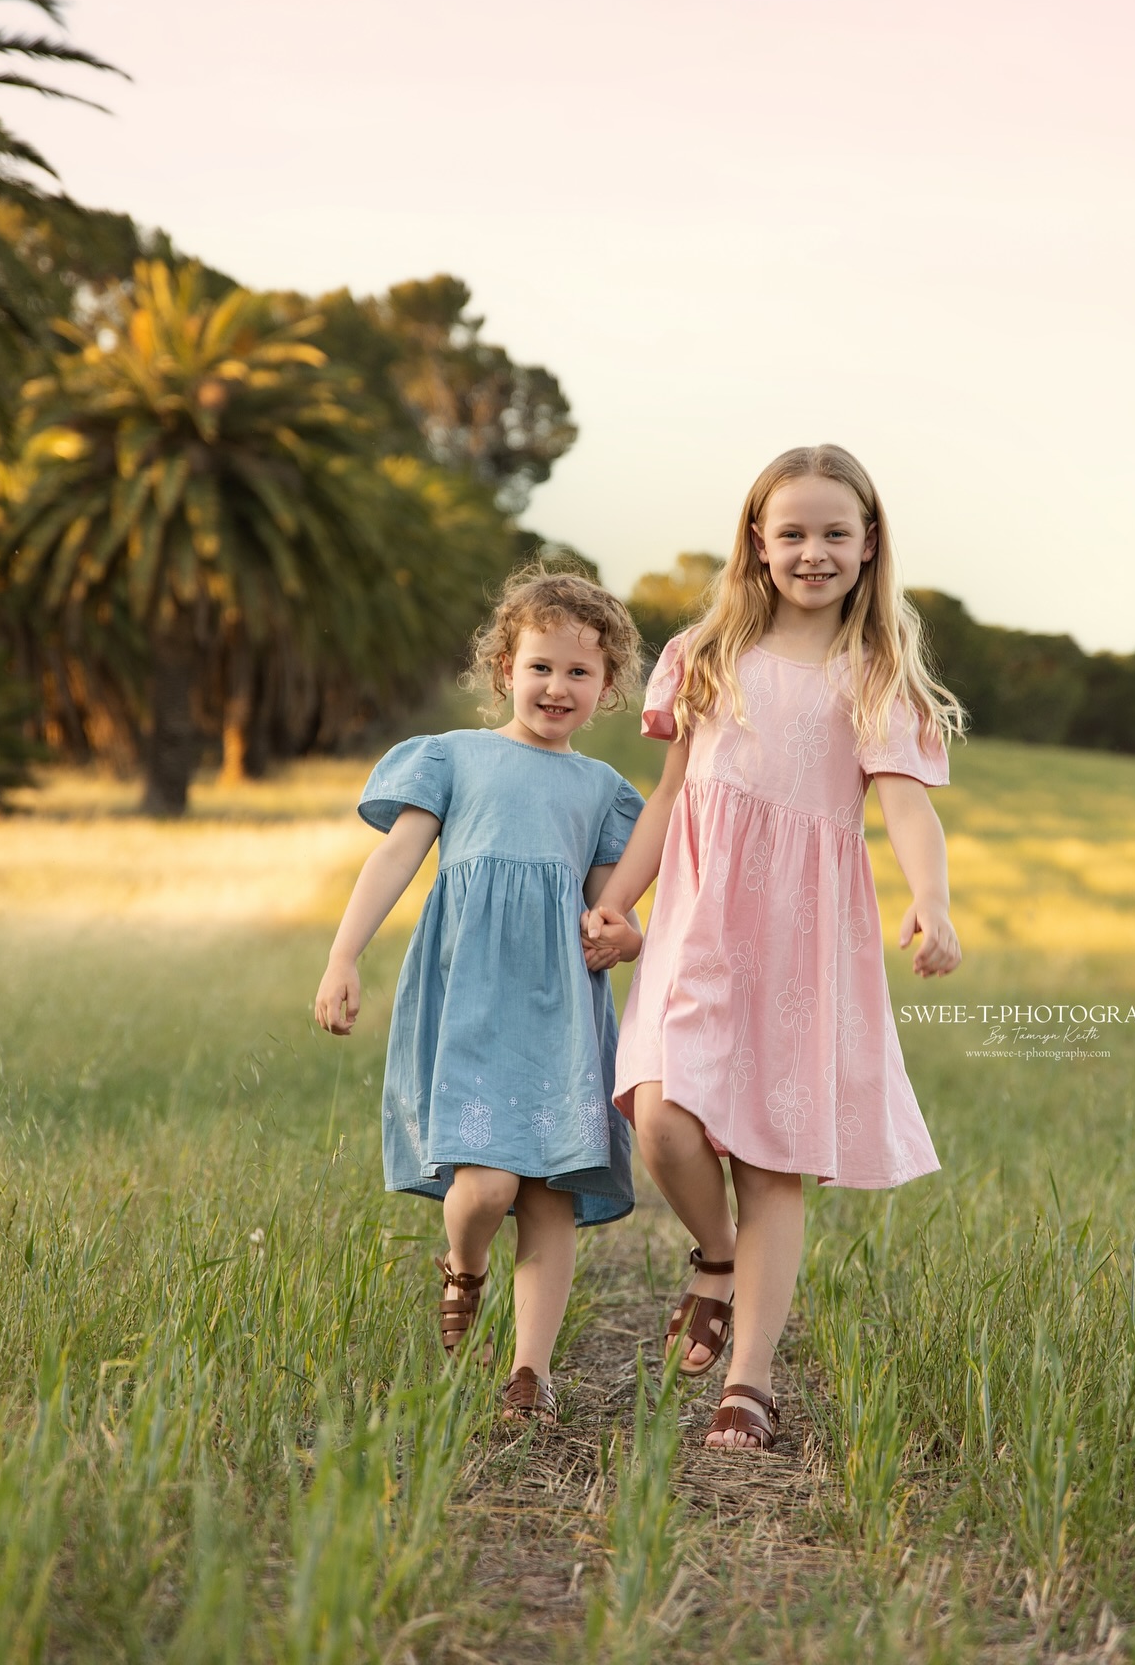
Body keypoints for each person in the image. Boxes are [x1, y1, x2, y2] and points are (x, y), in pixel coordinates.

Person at [585, 445, 965, 1453]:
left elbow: (906, 808)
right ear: (757, 542)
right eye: (791, 532)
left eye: (835, 533)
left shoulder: (875, 674)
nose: (813, 552)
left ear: (869, 544)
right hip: (699, 925)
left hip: (804, 940)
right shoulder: (704, 652)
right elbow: (669, 798)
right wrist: (617, 904)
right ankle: (715, 1258)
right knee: (661, 1119)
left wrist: (930, 900)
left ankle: (747, 1383)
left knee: (772, 1162)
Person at [316, 568, 646, 1424]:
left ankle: (527, 1376)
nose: (557, 687)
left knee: (550, 1192)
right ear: (504, 668)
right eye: (540, 666)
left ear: (607, 687)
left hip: (563, 1006)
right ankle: (464, 1265)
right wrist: (343, 956)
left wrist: (628, 935)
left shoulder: (605, 790)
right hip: (471, 999)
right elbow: (393, 858)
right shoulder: (453, 757)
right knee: (488, 1184)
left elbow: (613, 905)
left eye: (580, 673)